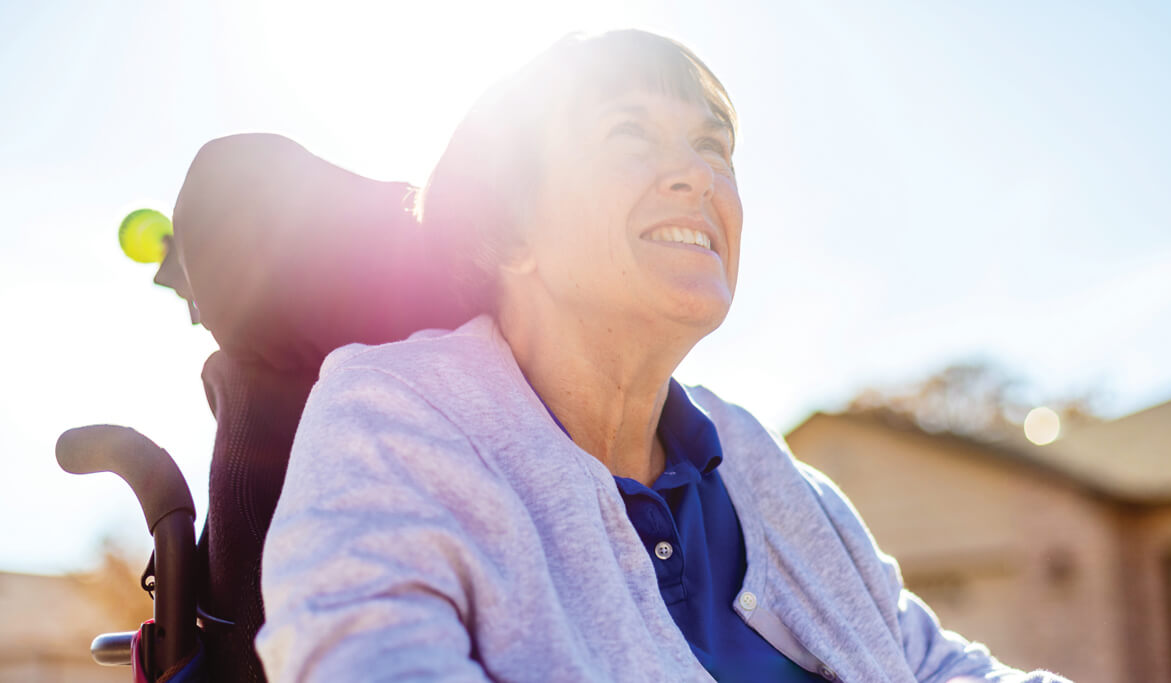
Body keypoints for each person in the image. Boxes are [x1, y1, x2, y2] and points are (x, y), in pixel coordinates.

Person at [255, 30, 1071, 682]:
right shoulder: (397, 415)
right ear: (507, 230)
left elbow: (929, 665)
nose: (697, 174)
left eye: (712, 146)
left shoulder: (760, 462)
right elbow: (371, 657)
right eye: (629, 133)